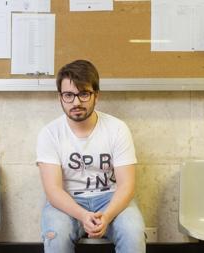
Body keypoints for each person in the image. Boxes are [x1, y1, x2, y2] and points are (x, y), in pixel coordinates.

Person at [36, 59, 146, 253]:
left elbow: (126, 185)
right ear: (60, 97)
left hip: (110, 198)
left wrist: (107, 216)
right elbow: (53, 190)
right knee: (56, 237)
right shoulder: (49, 133)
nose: (76, 102)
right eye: (69, 95)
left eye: (84, 94)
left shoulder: (117, 129)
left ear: (96, 95)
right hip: (67, 201)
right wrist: (83, 215)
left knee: (133, 232)